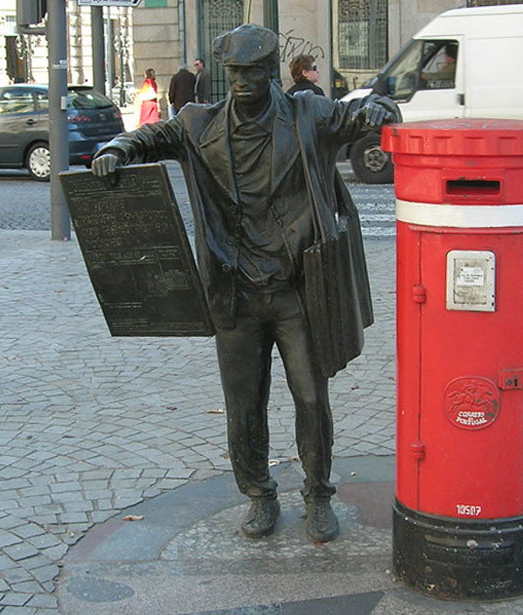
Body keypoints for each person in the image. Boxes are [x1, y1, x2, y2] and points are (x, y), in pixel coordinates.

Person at [90, 24, 397, 544]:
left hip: (297, 288)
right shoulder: (197, 123)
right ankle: (258, 493)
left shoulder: (308, 115)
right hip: (236, 292)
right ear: (225, 75)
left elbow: (369, 112)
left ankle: (319, 494)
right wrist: (117, 148)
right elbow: (148, 136)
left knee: (311, 398)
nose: (244, 83)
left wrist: (380, 110)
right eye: (235, 74)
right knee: (243, 404)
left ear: (271, 70)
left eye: (254, 72)